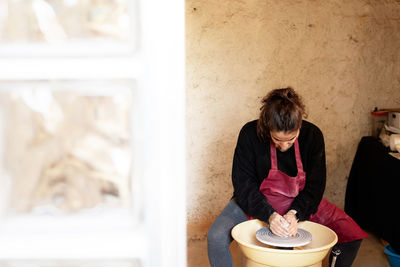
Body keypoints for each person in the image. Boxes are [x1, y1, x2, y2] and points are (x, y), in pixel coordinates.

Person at [207, 87, 369, 267]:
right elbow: (243, 184)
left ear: (299, 126)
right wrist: (269, 215)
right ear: (267, 126)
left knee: (351, 234)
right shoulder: (249, 134)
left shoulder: (312, 136)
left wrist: (295, 213)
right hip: (256, 201)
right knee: (216, 236)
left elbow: (316, 186)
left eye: (291, 140)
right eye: (277, 140)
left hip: (300, 202)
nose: (284, 146)